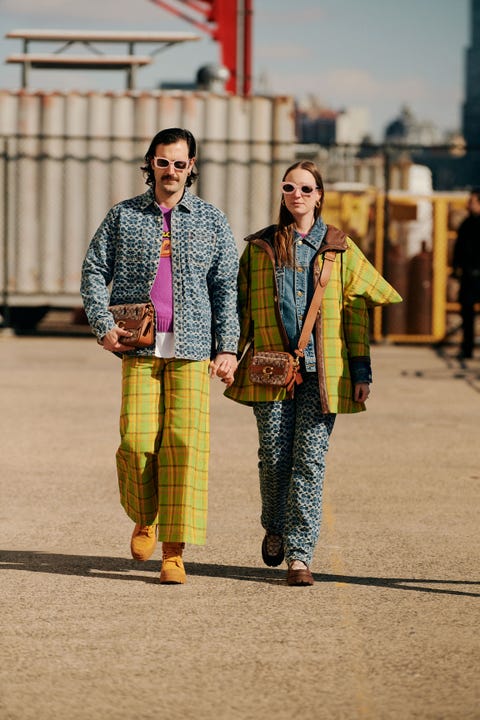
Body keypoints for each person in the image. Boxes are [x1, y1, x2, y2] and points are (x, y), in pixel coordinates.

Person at [225, 160, 402, 587]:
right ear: (282, 194)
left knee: (310, 461)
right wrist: (228, 353)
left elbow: (355, 311)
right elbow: (241, 309)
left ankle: (300, 556)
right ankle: (275, 524)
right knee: (273, 458)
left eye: (306, 188)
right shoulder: (261, 247)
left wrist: (362, 372)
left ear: (320, 195)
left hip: (325, 373)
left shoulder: (341, 248)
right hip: (269, 368)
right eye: (290, 187)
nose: (297, 195)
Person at [81, 127, 239, 584]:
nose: (171, 170)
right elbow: (94, 269)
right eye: (163, 161)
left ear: (193, 168)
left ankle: (174, 549)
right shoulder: (124, 216)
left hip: (192, 349)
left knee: (184, 448)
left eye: (180, 162)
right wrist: (102, 325)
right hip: (139, 347)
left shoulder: (211, 220)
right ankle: (144, 514)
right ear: (150, 163)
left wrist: (228, 347)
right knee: (137, 441)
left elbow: (226, 288)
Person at [452, 189, 480, 359]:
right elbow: (458, 249)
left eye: (472, 201)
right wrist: (457, 270)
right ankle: (467, 347)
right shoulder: (467, 224)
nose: (468, 204)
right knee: (467, 314)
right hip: (469, 276)